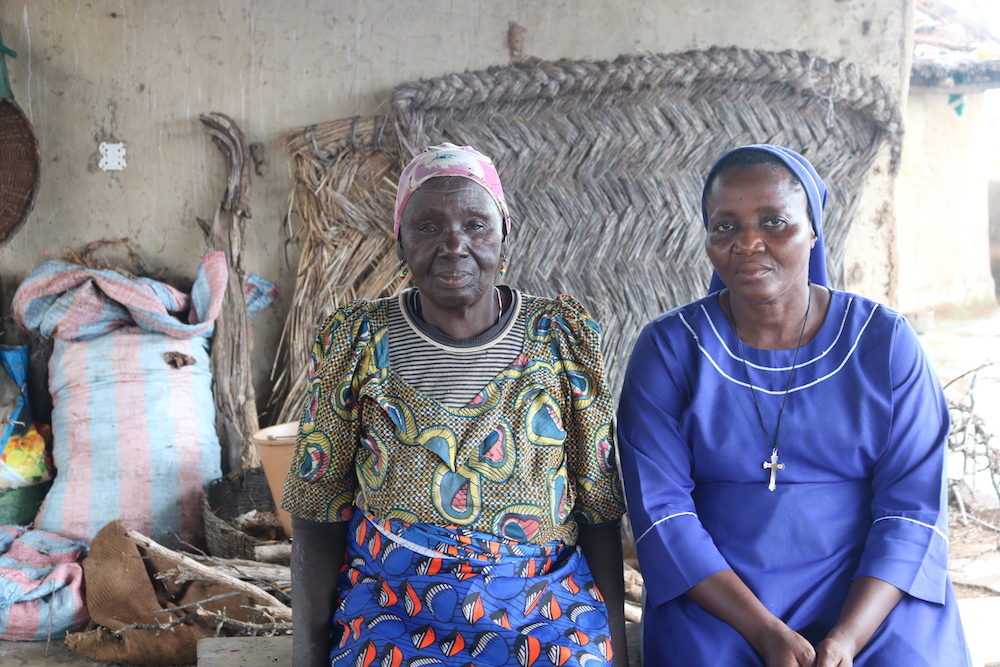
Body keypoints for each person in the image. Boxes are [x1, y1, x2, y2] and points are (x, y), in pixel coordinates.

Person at [617, 144, 971, 666]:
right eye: (724, 226)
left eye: (774, 221)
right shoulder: (671, 349)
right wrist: (762, 632)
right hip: (720, 595)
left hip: (870, 591)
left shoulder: (885, 344)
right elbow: (662, 512)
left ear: (814, 230)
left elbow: (912, 508)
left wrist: (848, 638)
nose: (748, 242)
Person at [283, 143, 628, 667]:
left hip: (545, 615)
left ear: (504, 234)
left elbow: (598, 511)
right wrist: (310, 656)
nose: (453, 245)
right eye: (427, 227)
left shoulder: (561, 338)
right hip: (391, 614)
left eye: (475, 224)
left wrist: (615, 654)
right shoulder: (355, 340)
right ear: (399, 242)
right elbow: (317, 513)